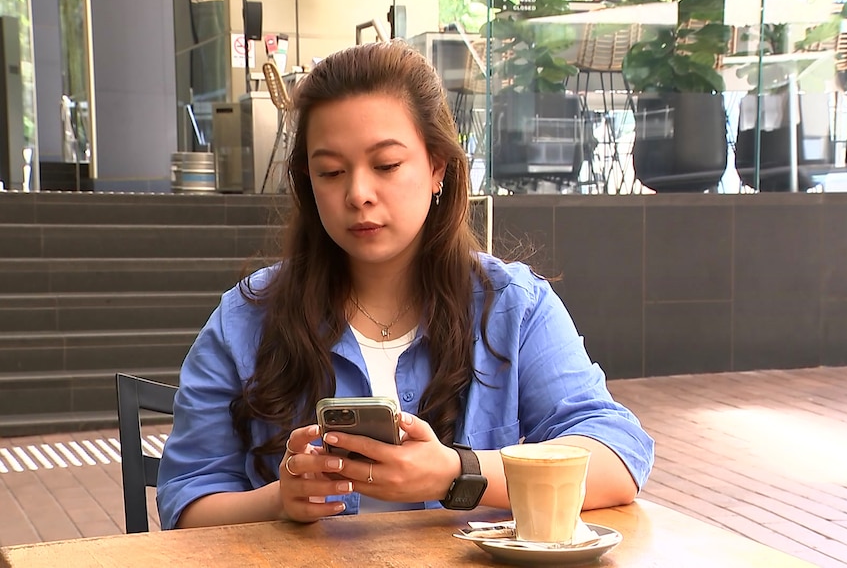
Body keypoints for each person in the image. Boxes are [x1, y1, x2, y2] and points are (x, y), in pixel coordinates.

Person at [156, 40, 654, 529]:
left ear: (437, 166)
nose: (358, 194)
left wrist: (458, 473)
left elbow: (617, 455)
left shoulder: (514, 306)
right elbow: (187, 502)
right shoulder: (246, 319)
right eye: (330, 171)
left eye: (386, 165)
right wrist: (279, 501)